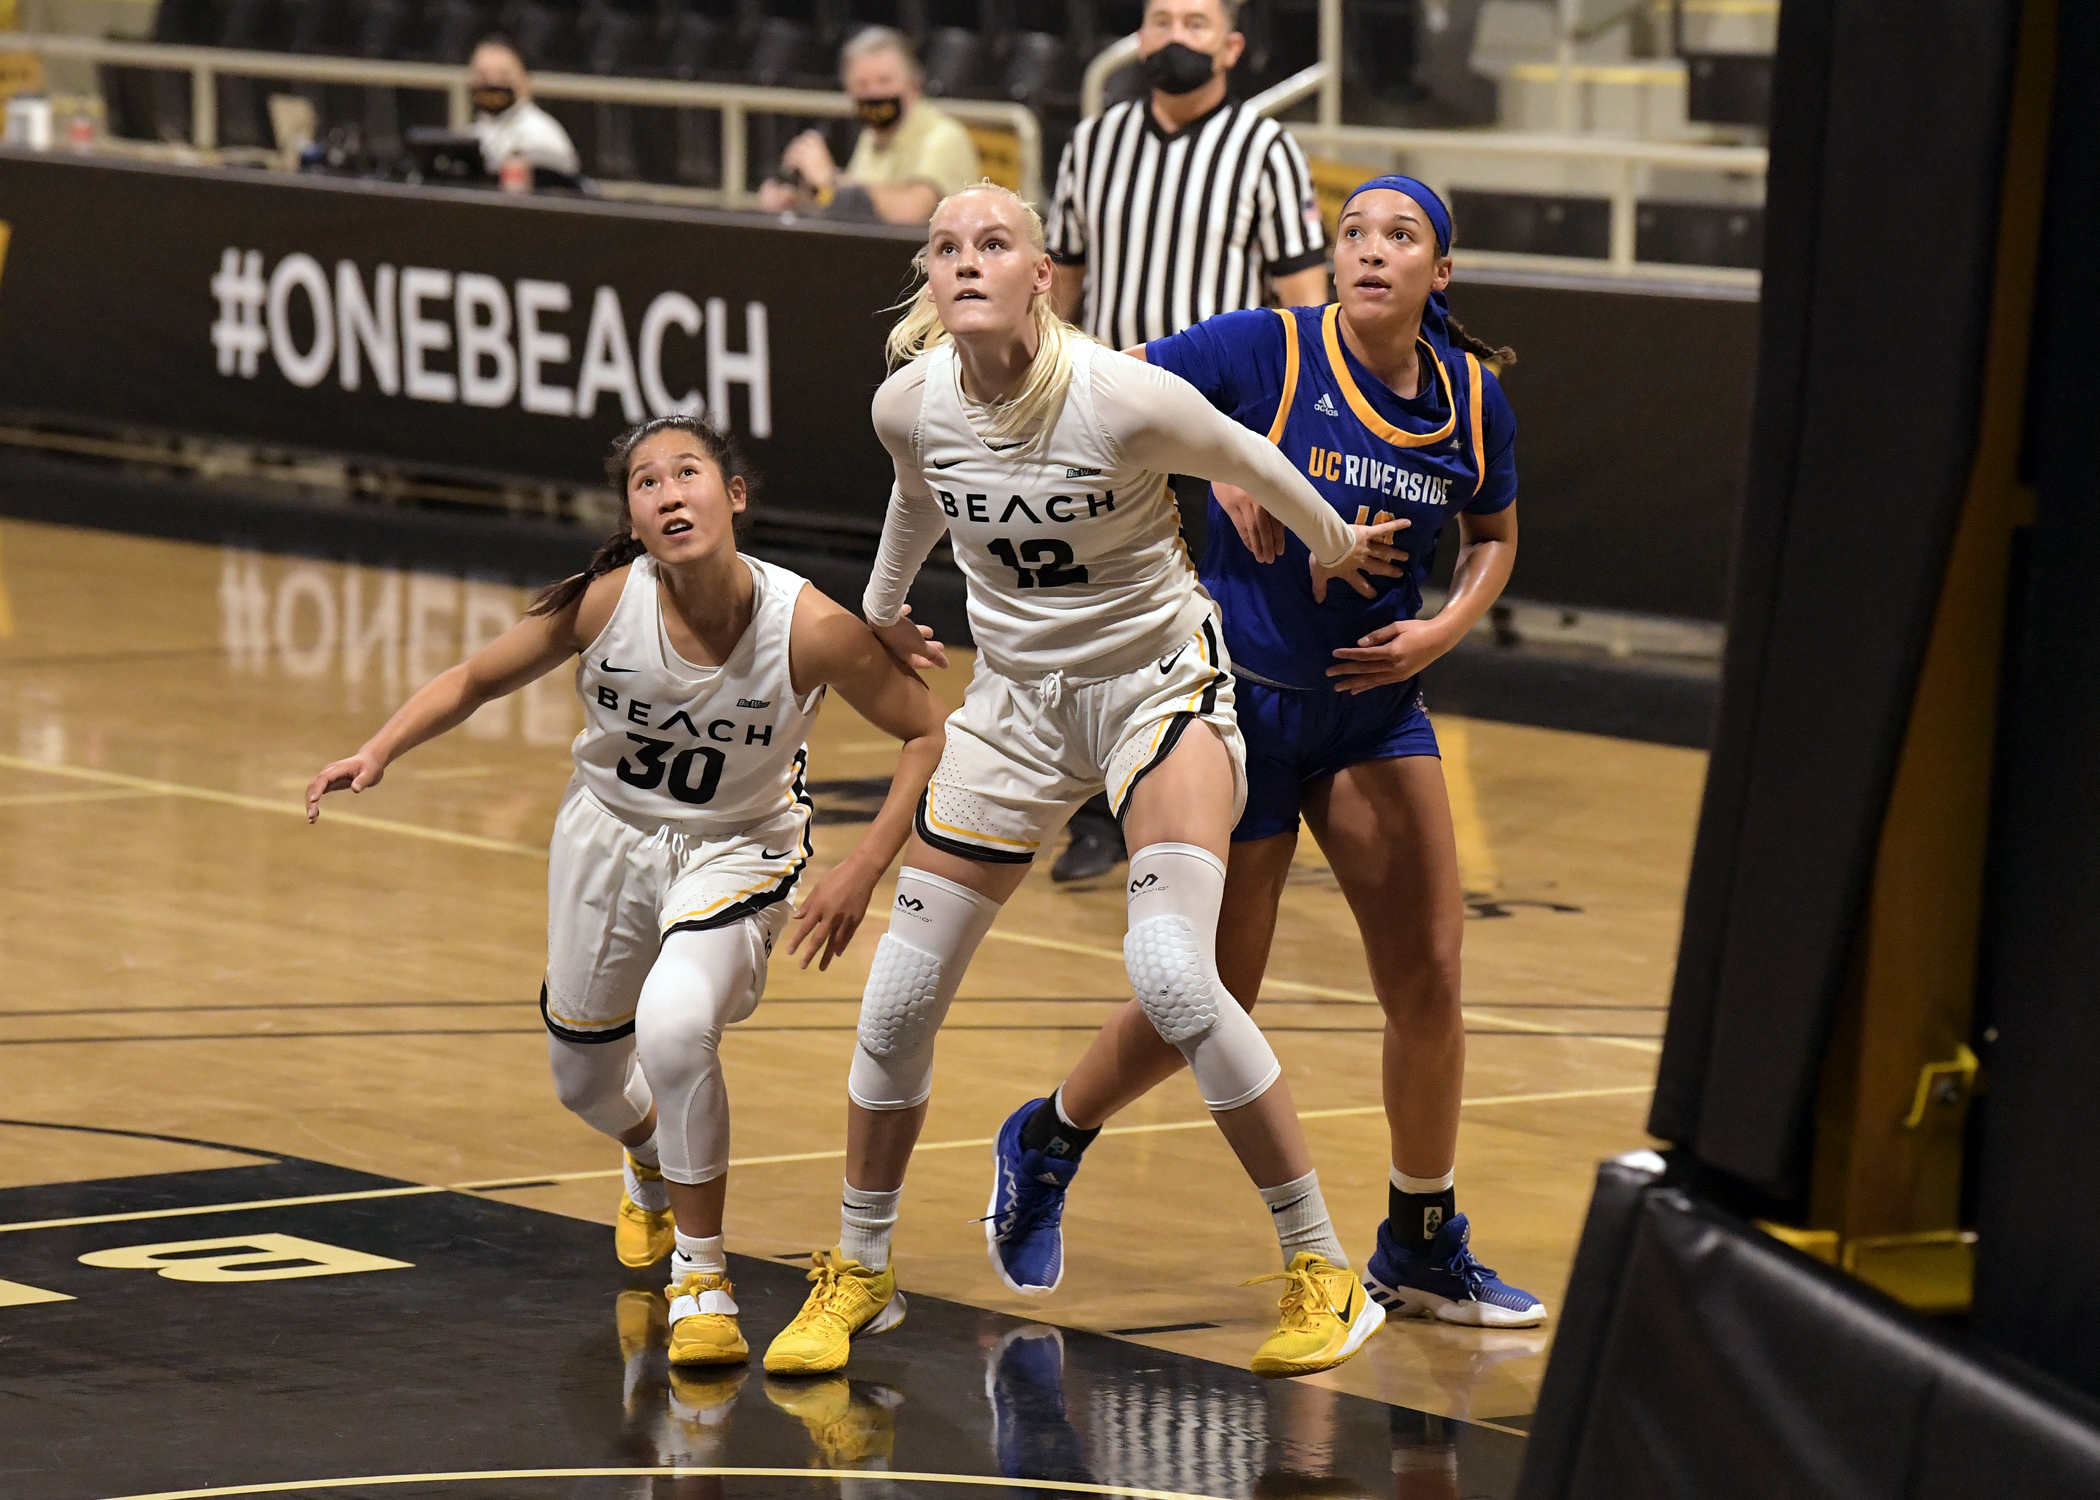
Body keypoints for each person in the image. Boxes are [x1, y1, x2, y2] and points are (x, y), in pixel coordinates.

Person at [759, 181, 1407, 1381]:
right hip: (1014, 707)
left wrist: (1333, 545)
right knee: (896, 1003)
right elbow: (915, 503)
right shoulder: (909, 403)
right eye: (945, 246)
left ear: (1040, 277)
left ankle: (1323, 1268)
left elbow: (1251, 456)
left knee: (1172, 974)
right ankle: (861, 1270)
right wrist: (886, 613)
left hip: (1157, 688)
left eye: (992, 243)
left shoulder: (1117, 393)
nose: (965, 260)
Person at [992, 178, 1547, 1330]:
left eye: (1401, 238)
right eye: (1354, 234)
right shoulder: (1263, 351)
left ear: (1438, 273)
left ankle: (1422, 1241)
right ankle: (1049, 1137)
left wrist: (1443, 627)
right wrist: (1227, 467)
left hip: (1371, 713)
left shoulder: (1471, 401)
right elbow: (1102, 388)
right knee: (1211, 993)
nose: (1371, 252)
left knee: (1431, 981)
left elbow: (1493, 535)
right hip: (1231, 708)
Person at [305, 415, 947, 1366]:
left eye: (689, 473)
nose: (669, 493)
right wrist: (378, 750)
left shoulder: (809, 625)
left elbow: (928, 734)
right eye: (647, 484)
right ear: (634, 521)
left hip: (740, 846)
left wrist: (863, 867)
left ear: (734, 496)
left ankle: (703, 1278)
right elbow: (476, 678)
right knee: (584, 1081)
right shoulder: (606, 604)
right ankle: (646, 1152)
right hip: (606, 837)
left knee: (678, 1022)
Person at [1042, 0, 1331, 882]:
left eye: (1195, 23)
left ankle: (1215, 807)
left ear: (1232, 48)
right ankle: (1102, 810)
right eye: (1161, 20)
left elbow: (1305, 304)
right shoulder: (1093, 143)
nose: (1174, 37)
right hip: (1111, 414)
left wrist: (1280, 436)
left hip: (1224, 422)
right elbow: (1064, 292)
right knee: (1100, 609)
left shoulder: (1266, 149)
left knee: (1217, 613)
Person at [757, 27, 981, 225]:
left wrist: (831, 180)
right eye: (862, 85)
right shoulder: (870, 136)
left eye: (885, 81)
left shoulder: (944, 137)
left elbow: (911, 213)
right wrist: (798, 200)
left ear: (913, 84)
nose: (874, 94)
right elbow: (858, 212)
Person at [467, 36, 580, 180]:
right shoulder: (472, 135)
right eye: (482, 76)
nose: (492, 83)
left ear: (525, 81)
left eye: (504, 76)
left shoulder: (543, 135)